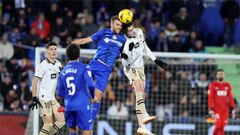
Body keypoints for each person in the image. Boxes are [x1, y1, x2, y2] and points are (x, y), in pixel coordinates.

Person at [72, 15, 126, 120]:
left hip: (106, 70)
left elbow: (124, 53)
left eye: (121, 25)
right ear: (111, 24)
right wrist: (71, 43)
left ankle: (89, 122)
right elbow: (85, 40)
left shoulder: (123, 39)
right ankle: (68, 105)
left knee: (97, 99)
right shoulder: (103, 32)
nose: (119, 27)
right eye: (117, 24)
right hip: (95, 64)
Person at [121, 24, 167, 135]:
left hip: (141, 67)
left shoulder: (140, 32)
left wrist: (155, 60)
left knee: (140, 95)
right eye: (130, 31)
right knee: (139, 88)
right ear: (126, 34)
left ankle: (141, 127)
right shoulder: (128, 44)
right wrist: (127, 55)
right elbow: (124, 63)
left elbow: (145, 46)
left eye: (132, 28)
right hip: (130, 67)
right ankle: (145, 114)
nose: (133, 31)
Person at [57, 44, 95, 135]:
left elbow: (60, 93)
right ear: (79, 55)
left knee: (72, 131)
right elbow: (91, 85)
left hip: (69, 105)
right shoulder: (84, 67)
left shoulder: (63, 72)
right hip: (82, 104)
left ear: (67, 55)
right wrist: (93, 97)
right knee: (87, 131)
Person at [29, 41, 65, 135]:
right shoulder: (42, 66)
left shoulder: (58, 64)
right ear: (46, 51)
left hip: (52, 97)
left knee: (61, 121)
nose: (53, 51)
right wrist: (34, 97)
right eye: (51, 49)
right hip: (43, 98)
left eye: (55, 49)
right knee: (48, 124)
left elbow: (61, 79)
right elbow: (34, 81)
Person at [208, 69, 236, 135]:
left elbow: (230, 97)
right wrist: (210, 109)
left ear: (224, 75)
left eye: (222, 74)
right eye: (219, 74)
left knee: (222, 126)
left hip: (225, 110)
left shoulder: (228, 85)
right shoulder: (213, 85)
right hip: (216, 109)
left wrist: (233, 108)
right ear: (216, 76)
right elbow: (210, 98)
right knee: (218, 125)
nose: (220, 75)